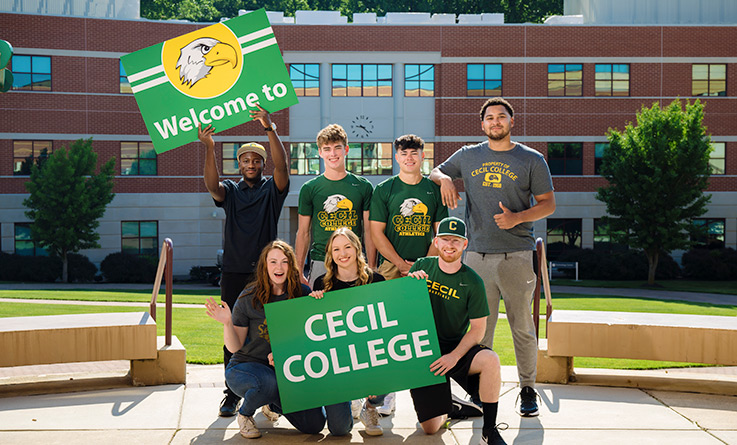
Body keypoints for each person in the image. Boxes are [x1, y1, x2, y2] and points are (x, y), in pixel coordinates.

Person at [429, 97, 556, 417]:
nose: (496, 122)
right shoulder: (469, 155)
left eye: (502, 117)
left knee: (522, 326)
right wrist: (444, 178)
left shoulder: (532, 159)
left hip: (517, 254)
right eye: (490, 118)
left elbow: (548, 204)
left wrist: (517, 217)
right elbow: (435, 169)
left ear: (511, 122)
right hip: (477, 257)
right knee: (478, 330)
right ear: (482, 124)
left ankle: (528, 389)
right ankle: (476, 393)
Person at [205, 240, 352, 439]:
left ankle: (272, 403)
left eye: (284, 261)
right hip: (247, 367)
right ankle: (245, 414)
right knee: (270, 383)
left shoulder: (302, 294)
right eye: (273, 262)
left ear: (291, 265)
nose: (279, 267)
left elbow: (312, 336)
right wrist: (227, 323)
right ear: (264, 266)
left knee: (314, 425)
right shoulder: (249, 297)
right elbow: (234, 347)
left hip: (288, 371)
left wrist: (318, 302)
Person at [198, 103, 289, 417]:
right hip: (235, 273)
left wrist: (269, 127)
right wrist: (209, 148)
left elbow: (283, 169)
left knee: (272, 331)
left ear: (262, 164)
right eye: (245, 160)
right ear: (239, 165)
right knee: (233, 331)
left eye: (256, 160)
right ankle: (231, 392)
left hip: (268, 274)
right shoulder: (231, 193)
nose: (251, 164)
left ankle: (274, 392)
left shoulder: (271, 191)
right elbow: (211, 185)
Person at [407, 217, 506, 445]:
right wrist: (410, 286)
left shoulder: (473, 281)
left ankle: (489, 431)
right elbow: (405, 311)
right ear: (436, 242)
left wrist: (454, 356)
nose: (449, 245)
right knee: (430, 429)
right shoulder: (422, 267)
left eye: (455, 240)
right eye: (444, 239)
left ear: (464, 244)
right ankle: (451, 407)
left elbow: (478, 330)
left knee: (491, 360)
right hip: (425, 350)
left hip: (456, 348)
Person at [368, 133, 447, 415]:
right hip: (392, 266)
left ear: (422, 156)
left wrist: (422, 264)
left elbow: (440, 232)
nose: (409, 158)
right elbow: (376, 233)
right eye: (403, 154)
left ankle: (428, 401)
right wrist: (401, 264)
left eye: (414, 153)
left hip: (426, 267)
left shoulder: (434, 190)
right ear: (396, 157)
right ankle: (386, 395)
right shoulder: (385, 189)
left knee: (422, 332)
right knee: (388, 333)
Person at [310, 227, 386, 436]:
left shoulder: (376, 281)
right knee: (339, 429)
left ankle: (369, 408)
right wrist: (314, 305)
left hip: (369, 355)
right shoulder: (322, 285)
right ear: (330, 254)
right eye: (336, 249)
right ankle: (348, 400)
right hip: (338, 362)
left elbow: (388, 327)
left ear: (357, 248)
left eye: (347, 247)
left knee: (390, 369)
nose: (342, 254)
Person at [295, 124, 376, 287]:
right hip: (320, 262)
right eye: (327, 149)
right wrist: (297, 270)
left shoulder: (363, 186)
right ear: (320, 152)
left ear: (346, 150)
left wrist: (371, 266)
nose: (332, 154)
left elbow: (369, 231)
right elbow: (303, 232)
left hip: (354, 261)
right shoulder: (309, 188)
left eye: (337, 148)